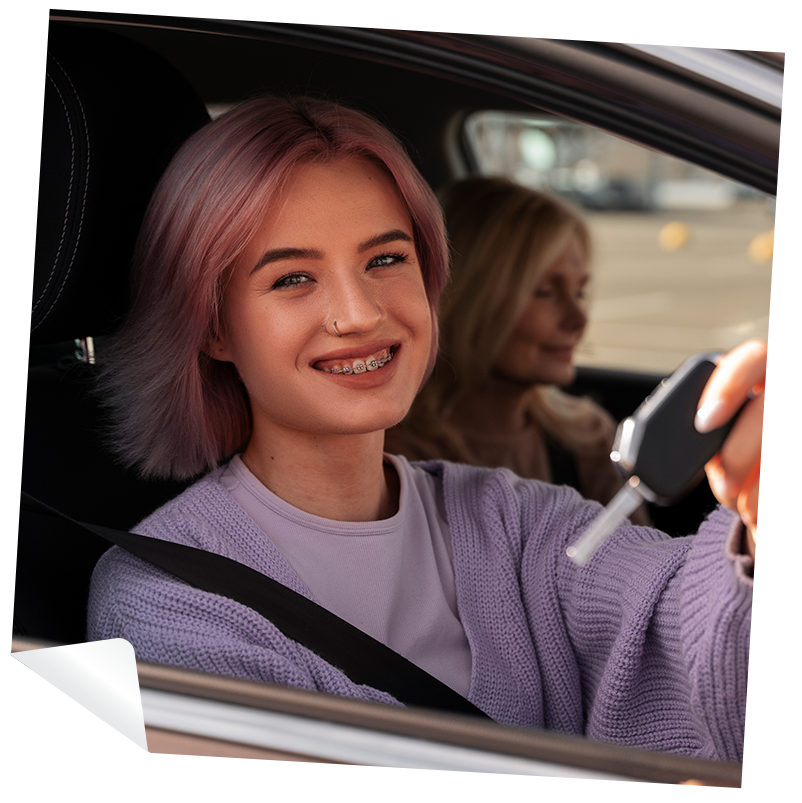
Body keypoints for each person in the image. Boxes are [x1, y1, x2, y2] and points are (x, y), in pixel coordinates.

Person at [87, 96, 766, 762]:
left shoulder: (513, 518)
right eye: (293, 277)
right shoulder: (161, 600)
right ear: (213, 327)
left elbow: (704, 630)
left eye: (386, 259)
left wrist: (776, 504)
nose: (358, 313)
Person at [385, 177, 649, 524]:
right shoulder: (396, 457)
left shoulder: (585, 436)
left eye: (580, 292)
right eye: (544, 291)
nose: (578, 319)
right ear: (466, 297)